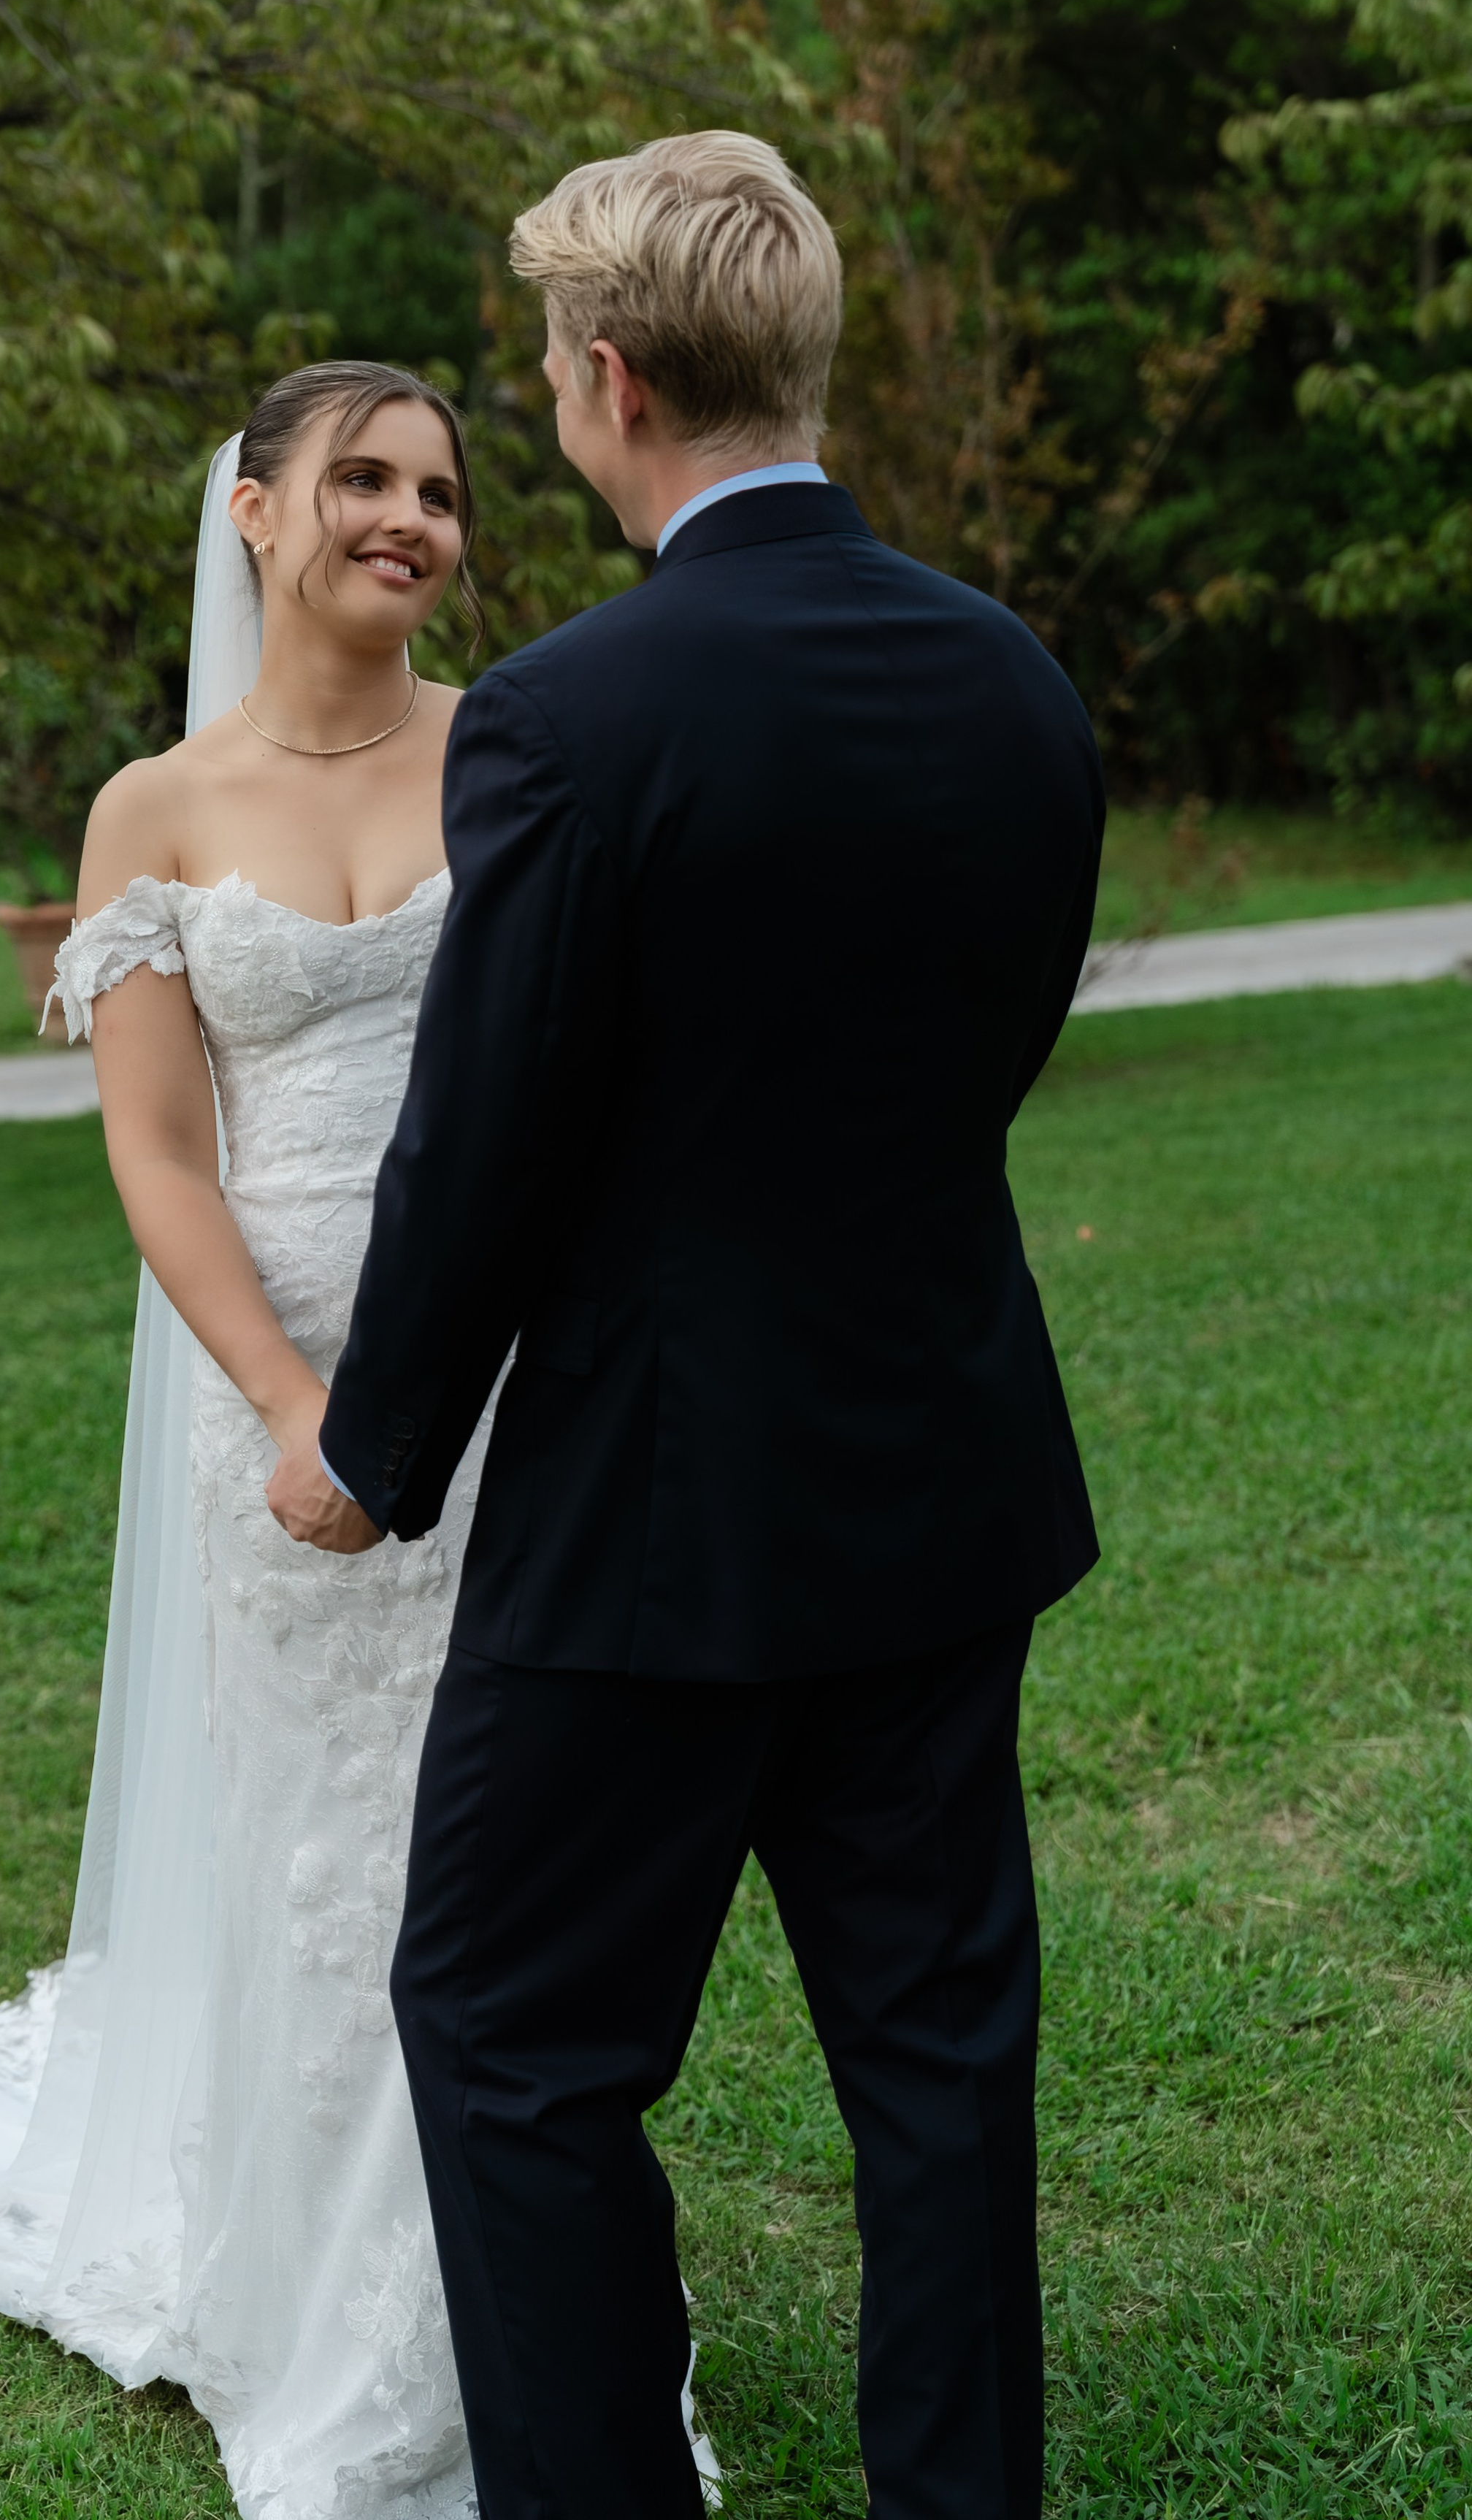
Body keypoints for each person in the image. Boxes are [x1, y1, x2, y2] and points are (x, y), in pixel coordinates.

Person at [0, 362, 670, 2519]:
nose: (410, 518)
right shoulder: (150, 815)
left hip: (512, 1391)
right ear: (251, 513)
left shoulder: (514, 748)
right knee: (321, 1864)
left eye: (440, 487)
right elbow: (161, 1155)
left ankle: (499, 2297)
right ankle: (344, 2309)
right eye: (360, 478)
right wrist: (288, 1404)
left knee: (495, 1863)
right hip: (281, 1406)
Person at [269, 134, 1106, 2520]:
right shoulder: (1012, 678)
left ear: (609, 380)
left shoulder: (566, 715)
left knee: (517, 2037)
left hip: (650, 1527)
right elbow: (984, 1047)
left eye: (544, 362)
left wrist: (381, 1441)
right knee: (942, 2054)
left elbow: (491, 1139)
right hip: (942, 1482)